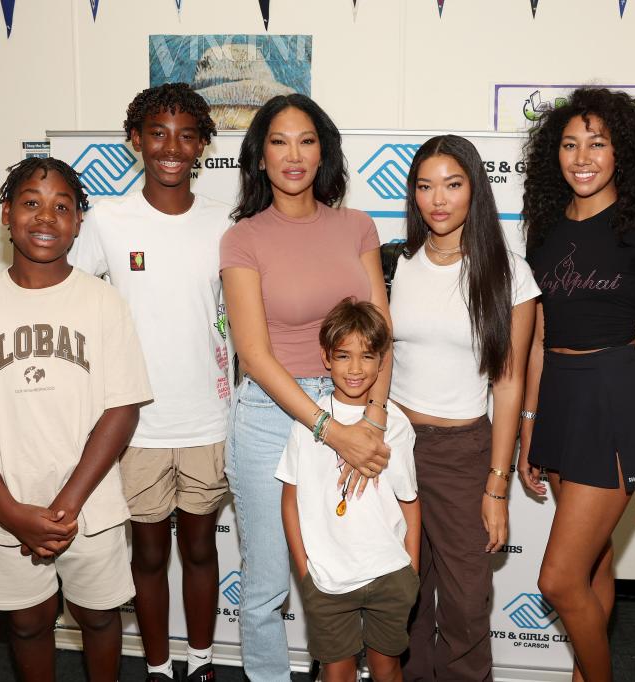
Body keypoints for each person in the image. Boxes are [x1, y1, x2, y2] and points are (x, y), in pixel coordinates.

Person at [0, 83, 229, 682]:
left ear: (202, 144)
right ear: (134, 141)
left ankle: (200, 664)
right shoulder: (109, 222)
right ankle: (155, 665)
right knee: (145, 558)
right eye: (155, 133)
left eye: (185, 134)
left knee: (200, 547)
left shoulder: (225, 223)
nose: (170, 147)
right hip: (131, 431)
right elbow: (39, 272)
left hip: (205, 417)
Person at [0, 158, 154, 682]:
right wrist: (8, 510)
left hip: (89, 504)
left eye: (63, 206)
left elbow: (122, 407)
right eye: (31, 203)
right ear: (6, 214)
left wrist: (68, 504)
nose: (46, 217)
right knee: (30, 622)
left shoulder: (103, 302)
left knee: (99, 617)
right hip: (6, 504)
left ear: (79, 222)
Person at [220, 93, 391, 682]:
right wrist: (327, 428)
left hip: (353, 403)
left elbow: (380, 333)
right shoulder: (243, 238)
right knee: (267, 585)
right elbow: (254, 355)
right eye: (278, 141)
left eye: (307, 140)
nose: (294, 154)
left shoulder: (358, 226)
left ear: (325, 152)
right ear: (259, 156)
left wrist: (369, 420)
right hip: (271, 414)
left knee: (344, 571)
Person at [517, 87, 635, 682]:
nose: (581, 156)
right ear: (552, 155)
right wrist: (528, 429)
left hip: (614, 394)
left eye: (597, 142)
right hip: (560, 397)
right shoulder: (543, 229)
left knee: (558, 580)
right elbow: (537, 340)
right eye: (569, 144)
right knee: (592, 567)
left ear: (623, 153)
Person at [387, 135, 538, 680]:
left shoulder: (507, 272)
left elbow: (509, 383)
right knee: (402, 595)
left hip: (463, 453)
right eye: (425, 186)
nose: (438, 199)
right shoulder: (391, 264)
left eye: (452, 184)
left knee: (467, 604)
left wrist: (497, 485)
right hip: (395, 448)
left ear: (475, 189)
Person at [277, 299, 420, 682]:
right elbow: (289, 499)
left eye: (367, 356)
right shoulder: (307, 423)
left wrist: (412, 569)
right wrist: (304, 570)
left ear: (381, 362)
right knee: (336, 671)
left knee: (386, 667)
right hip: (327, 578)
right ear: (326, 357)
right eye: (343, 356)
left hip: (389, 572)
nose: (355, 369)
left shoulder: (398, 425)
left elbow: (409, 502)